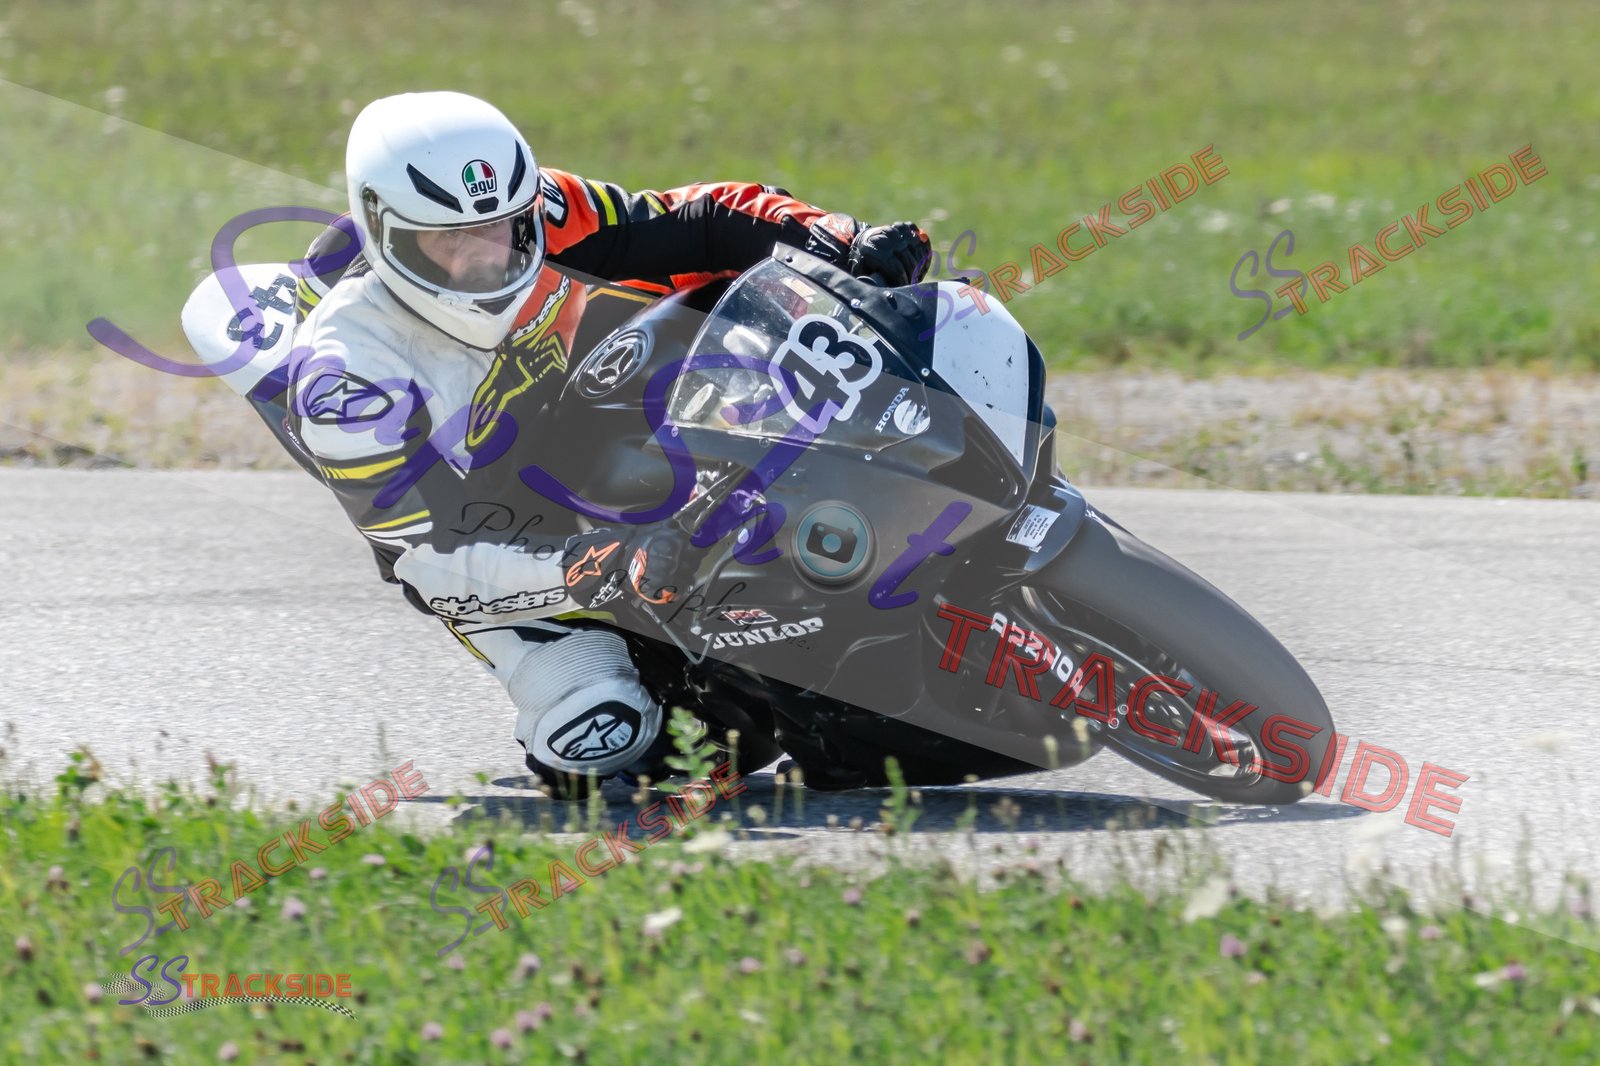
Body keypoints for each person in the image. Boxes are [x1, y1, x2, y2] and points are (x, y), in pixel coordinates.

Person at [282, 90, 931, 799]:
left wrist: (840, 243)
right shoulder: (347, 380)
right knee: (610, 736)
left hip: (588, 409)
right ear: (384, 234)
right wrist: (604, 566)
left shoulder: (542, 210)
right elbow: (432, 564)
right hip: (492, 536)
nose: (485, 260)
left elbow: (698, 222)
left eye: (500, 230)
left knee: (745, 325)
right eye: (448, 242)